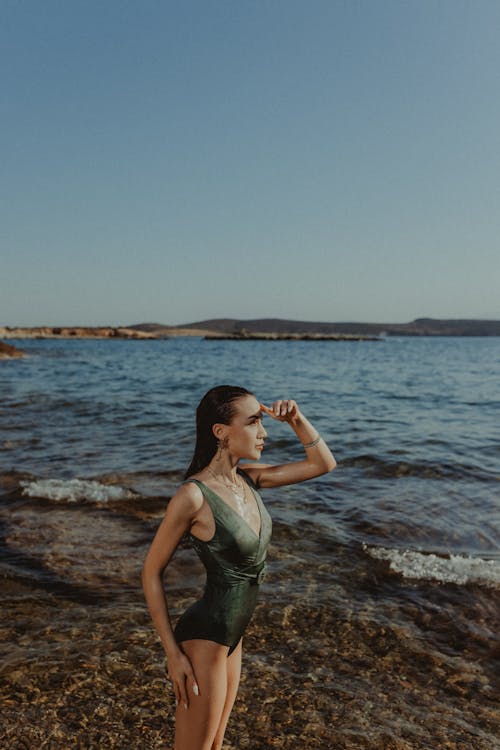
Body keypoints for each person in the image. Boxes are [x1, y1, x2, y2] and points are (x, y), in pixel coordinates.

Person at [142, 385, 336, 750]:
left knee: (215, 746)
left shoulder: (251, 480)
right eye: (254, 422)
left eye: (262, 422)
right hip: (206, 638)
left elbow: (323, 464)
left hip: (233, 638)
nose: (263, 432)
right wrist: (173, 654)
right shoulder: (193, 496)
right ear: (221, 432)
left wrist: (295, 418)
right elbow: (151, 572)